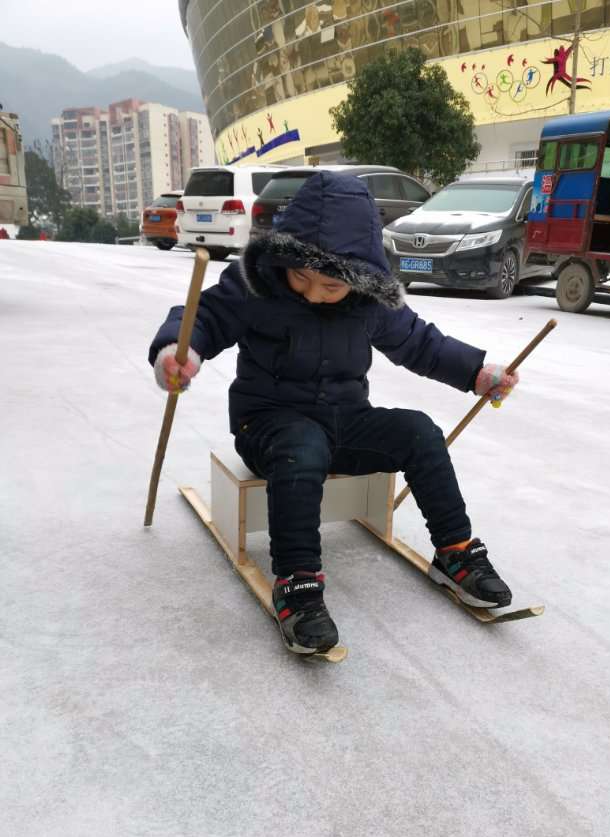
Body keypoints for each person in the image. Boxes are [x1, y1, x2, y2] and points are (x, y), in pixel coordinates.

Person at [148, 172, 518, 656]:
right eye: (300, 276)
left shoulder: (369, 301)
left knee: (420, 432)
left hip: (344, 421)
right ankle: (298, 585)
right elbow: (203, 317)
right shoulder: (255, 284)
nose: (311, 292)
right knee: (301, 447)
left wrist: (476, 372)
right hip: (267, 425)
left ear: (359, 276)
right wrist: (179, 353)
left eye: (329, 285)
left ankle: (455, 552)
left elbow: (421, 344)